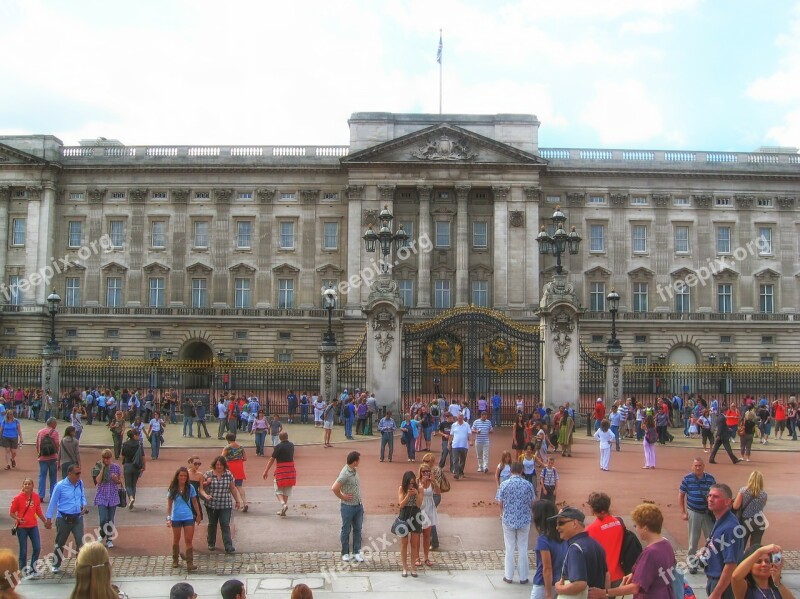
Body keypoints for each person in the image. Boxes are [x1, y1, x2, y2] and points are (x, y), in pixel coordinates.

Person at [587, 503, 676, 599]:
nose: (636, 529)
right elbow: (661, 571)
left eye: (636, 525)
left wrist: (605, 592)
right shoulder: (666, 544)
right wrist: (635, 574)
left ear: (645, 528)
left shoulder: (650, 553)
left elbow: (635, 588)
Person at [551, 506, 609, 599]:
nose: (557, 527)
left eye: (561, 523)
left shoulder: (575, 548)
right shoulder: (596, 544)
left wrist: (559, 589)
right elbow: (607, 576)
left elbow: (579, 584)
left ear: (574, 523)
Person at [700, 483, 746, 599]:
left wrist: (717, 593)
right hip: (715, 580)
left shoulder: (729, 528)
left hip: (723, 584)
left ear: (727, 501)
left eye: (716, 497)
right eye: (709, 496)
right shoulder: (721, 520)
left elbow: (731, 565)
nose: (710, 499)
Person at [496, 462, 535, 584]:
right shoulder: (528, 485)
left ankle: (508, 576)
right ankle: (523, 577)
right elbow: (533, 502)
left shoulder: (504, 484)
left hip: (508, 518)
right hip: (524, 519)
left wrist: (502, 513)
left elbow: (500, 502)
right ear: (522, 470)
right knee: (523, 547)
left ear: (511, 470)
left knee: (510, 547)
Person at [45, 463, 89, 573]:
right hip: (63, 519)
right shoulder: (60, 486)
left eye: (80, 473)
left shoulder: (80, 483)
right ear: (69, 474)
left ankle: (80, 564)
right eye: (76, 473)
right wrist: (48, 518)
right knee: (60, 543)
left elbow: (82, 495)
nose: (79, 475)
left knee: (80, 542)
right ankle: (56, 564)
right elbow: (53, 501)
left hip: (77, 518)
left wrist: (84, 504)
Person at [679, 457, 716, 574]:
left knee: (711, 540)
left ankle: (710, 561)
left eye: (700, 466)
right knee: (693, 540)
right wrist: (683, 512)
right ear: (692, 466)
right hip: (693, 512)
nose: (698, 468)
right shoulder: (687, 479)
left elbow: (715, 495)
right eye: (696, 466)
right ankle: (692, 564)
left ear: (703, 466)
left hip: (707, 513)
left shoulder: (710, 479)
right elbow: (681, 495)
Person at [9, 478, 48, 578]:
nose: (27, 485)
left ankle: (33, 569)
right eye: (25, 484)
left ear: (32, 486)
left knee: (37, 547)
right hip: (22, 528)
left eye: (29, 484)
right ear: (22, 486)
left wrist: (45, 521)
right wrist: (18, 518)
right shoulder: (18, 498)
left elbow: (38, 511)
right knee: (23, 550)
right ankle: (22, 570)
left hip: (33, 526)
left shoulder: (35, 497)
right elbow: (11, 513)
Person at [204, 455, 243, 553]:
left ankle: (228, 545)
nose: (219, 467)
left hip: (225, 504)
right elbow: (201, 488)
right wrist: (206, 484)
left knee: (225, 524)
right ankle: (211, 542)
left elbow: (233, 488)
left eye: (221, 465)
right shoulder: (208, 474)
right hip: (211, 504)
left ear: (224, 465)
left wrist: (237, 500)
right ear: (214, 465)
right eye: (217, 464)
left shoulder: (228, 475)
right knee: (212, 524)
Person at [585, 491, 625, 587]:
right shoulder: (618, 523)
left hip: (601, 579)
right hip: (619, 575)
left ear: (593, 509)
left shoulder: (590, 530)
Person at [530, 499, 567, 599]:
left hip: (543, 584)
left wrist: (548, 594)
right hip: (561, 582)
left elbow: (547, 568)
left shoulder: (543, 539)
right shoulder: (563, 535)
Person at [167, 466, 202, 571]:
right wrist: (168, 517)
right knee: (176, 539)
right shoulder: (173, 488)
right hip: (176, 517)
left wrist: (198, 514)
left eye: (185, 476)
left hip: (188, 516)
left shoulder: (190, 488)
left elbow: (195, 501)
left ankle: (190, 563)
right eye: (181, 476)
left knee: (188, 540)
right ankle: (175, 559)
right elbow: (169, 505)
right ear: (177, 476)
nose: (183, 478)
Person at [331, 451, 363, 563]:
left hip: (358, 505)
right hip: (348, 507)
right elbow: (334, 488)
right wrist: (342, 496)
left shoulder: (354, 471)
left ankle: (357, 552)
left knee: (358, 529)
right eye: (358, 460)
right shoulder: (345, 473)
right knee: (346, 529)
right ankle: (345, 553)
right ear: (355, 462)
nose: (359, 462)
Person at [262, 431, 296, 516]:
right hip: (291, 469)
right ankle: (283, 509)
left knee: (277, 489)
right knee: (287, 489)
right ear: (287, 437)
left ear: (280, 438)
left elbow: (272, 459)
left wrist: (266, 471)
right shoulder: (291, 445)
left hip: (281, 469)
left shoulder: (278, 447)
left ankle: (283, 504)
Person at [93, 449, 122, 548]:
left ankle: (109, 538)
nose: (106, 460)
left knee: (110, 519)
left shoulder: (116, 467)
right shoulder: (98, 466)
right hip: (102, 495)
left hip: (113, 496)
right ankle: (101, 534)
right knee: (103, 519)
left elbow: (119, 481)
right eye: (104, 458)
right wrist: (102, 470)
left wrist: (116, 479)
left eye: (108, 458)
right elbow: (97, 481)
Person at [732, 471, 768, 548]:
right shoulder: (764, 494)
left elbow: (735, 506)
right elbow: (763, 505)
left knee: (741, 544)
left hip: (745, 521)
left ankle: (741, 559)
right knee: (755, 546)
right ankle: (754, 558)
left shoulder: (743, 490)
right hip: (759, 521)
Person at [396, 470, 422, 577]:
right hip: (405, 514)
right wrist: (408, 495)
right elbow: (401, 505)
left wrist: (416, 494)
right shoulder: (401, 488)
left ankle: (413, 567)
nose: (411, 485)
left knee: (414, 543)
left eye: (413, 483)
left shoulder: (420, 489)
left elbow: (419, 504)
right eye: (409, 483)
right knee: (404, 543)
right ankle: (404, 567)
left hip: (415, 514)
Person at [417, 462, 440, 568]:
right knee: (417, 535)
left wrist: (434, 481)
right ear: (420, 473)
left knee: (427, 535)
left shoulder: (432, 482)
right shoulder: (417, 482)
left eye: (428, 471)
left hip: (430, 507)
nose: (426, 473)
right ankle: (417, 557)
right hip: (420, 509)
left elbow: (438, 493)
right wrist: (422, 483)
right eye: (424, 471)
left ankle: (426, 557)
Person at [222, 432, 249, 512]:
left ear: (228, 439)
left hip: (230, 466)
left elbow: (222, 458)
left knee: (228, 485)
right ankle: (245, 503)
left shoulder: (227, 447)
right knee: (239, 486)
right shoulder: (241, 447)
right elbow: (245, 458)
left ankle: (227, 503)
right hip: (239, 466)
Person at [36, 416, 60, 501]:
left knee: (42, 476)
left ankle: (40, 495)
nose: (56, 424)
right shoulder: (55, 432)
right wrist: (57, 453)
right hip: (52, 457)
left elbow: (37, 444)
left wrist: (39, 453)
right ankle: (52, 495)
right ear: (52, 424)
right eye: (55, 423)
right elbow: (57, 444)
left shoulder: (40, 432)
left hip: (42, 457)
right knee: (53, 477)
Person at [120, 429, 145, 510]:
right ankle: (132, 500)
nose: (138, 436)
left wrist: (123, 463)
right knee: (134, 484)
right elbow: (143, 456)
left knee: (128, 484)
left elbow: (122, 456)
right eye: (138, 435)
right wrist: (144, 466)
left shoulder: (125, 444)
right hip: (137, 466)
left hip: (127, 465)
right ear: (134, 435)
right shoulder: (139, 444)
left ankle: (131, 498)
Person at [449, 411, 472, 479]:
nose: (460, 419)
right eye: (458, 418)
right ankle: (456, 473)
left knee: (463, 460)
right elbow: (451, 435)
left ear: (463, 418)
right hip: (455, 445)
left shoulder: (466, 425)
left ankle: (461, 472)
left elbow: (469, 434)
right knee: (455, 460)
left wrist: (470, 441)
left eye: (461, 418)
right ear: (457, 418)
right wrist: (449, 443)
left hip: (464, 445)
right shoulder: (454, 425)